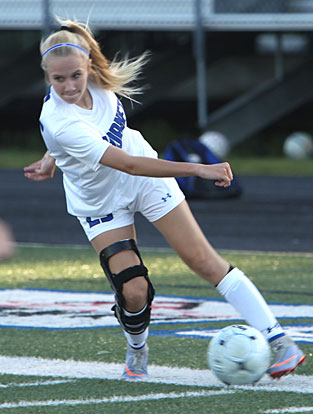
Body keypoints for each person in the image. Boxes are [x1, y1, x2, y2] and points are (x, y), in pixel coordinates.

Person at [24, 19, 305, 381]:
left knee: (204, 260)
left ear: (89, 66)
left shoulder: (96, 81)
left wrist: (52, 160)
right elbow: (125, 163)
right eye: (58, 80)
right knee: (134, 289)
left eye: (75, 76)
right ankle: (137, 350)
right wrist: (199, 170)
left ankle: (280, 341)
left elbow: (99, 146)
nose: (68, 86)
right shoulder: (58, 119)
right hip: (100, 200)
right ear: (48, 78)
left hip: (142, 177)